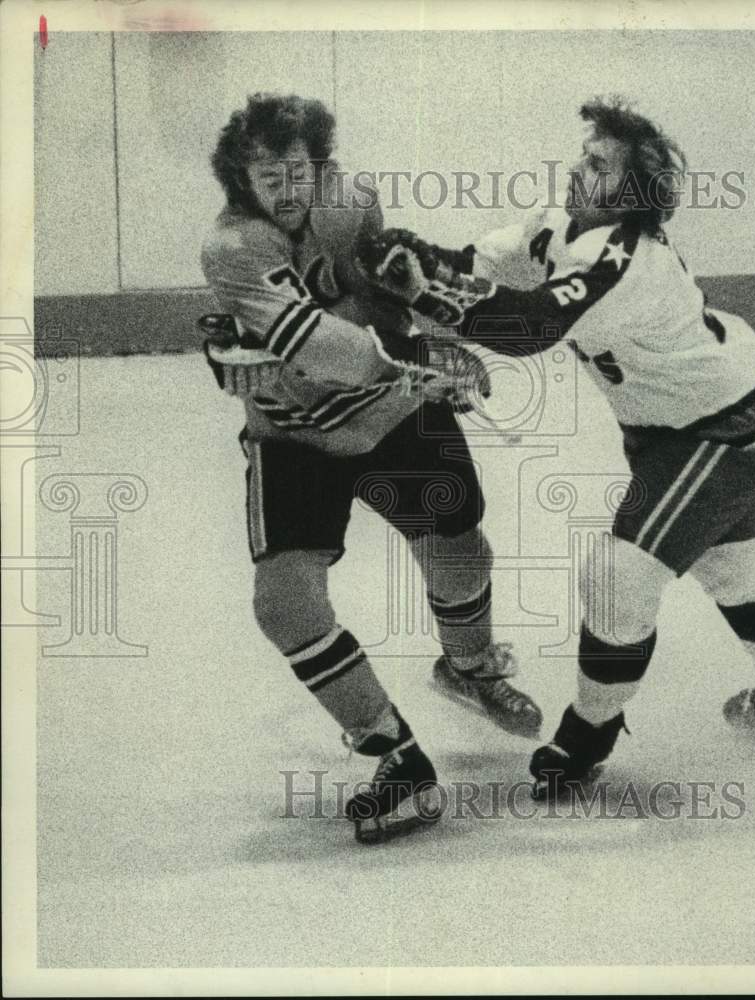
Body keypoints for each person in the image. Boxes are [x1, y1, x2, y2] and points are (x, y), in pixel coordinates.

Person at [356, 95, 755, 799]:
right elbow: (476, 268)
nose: (580, 169)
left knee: (619, 575)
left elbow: (530, 327)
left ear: (633, 194)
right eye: (585, 155)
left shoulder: (626, 261)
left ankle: (586, 737)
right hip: (704, 424)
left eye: (601, 165)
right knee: (734, 571)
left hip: (720, 435)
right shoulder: (558, 229)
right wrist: (420, 258)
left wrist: (423, 297)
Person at [199, 93, 542, 842]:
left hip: (392, 412)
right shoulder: (233, 247)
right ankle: (396, 755)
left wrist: (414, 293)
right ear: (240, 180)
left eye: (297, 171)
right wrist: (418, 362)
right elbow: (321, 348)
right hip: (297, 434)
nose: (287, 191)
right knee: (285, 606)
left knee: (458, 543)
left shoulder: (350, 200)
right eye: (267, 176)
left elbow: (388, 291)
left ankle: (470, 666)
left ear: (319, 166)